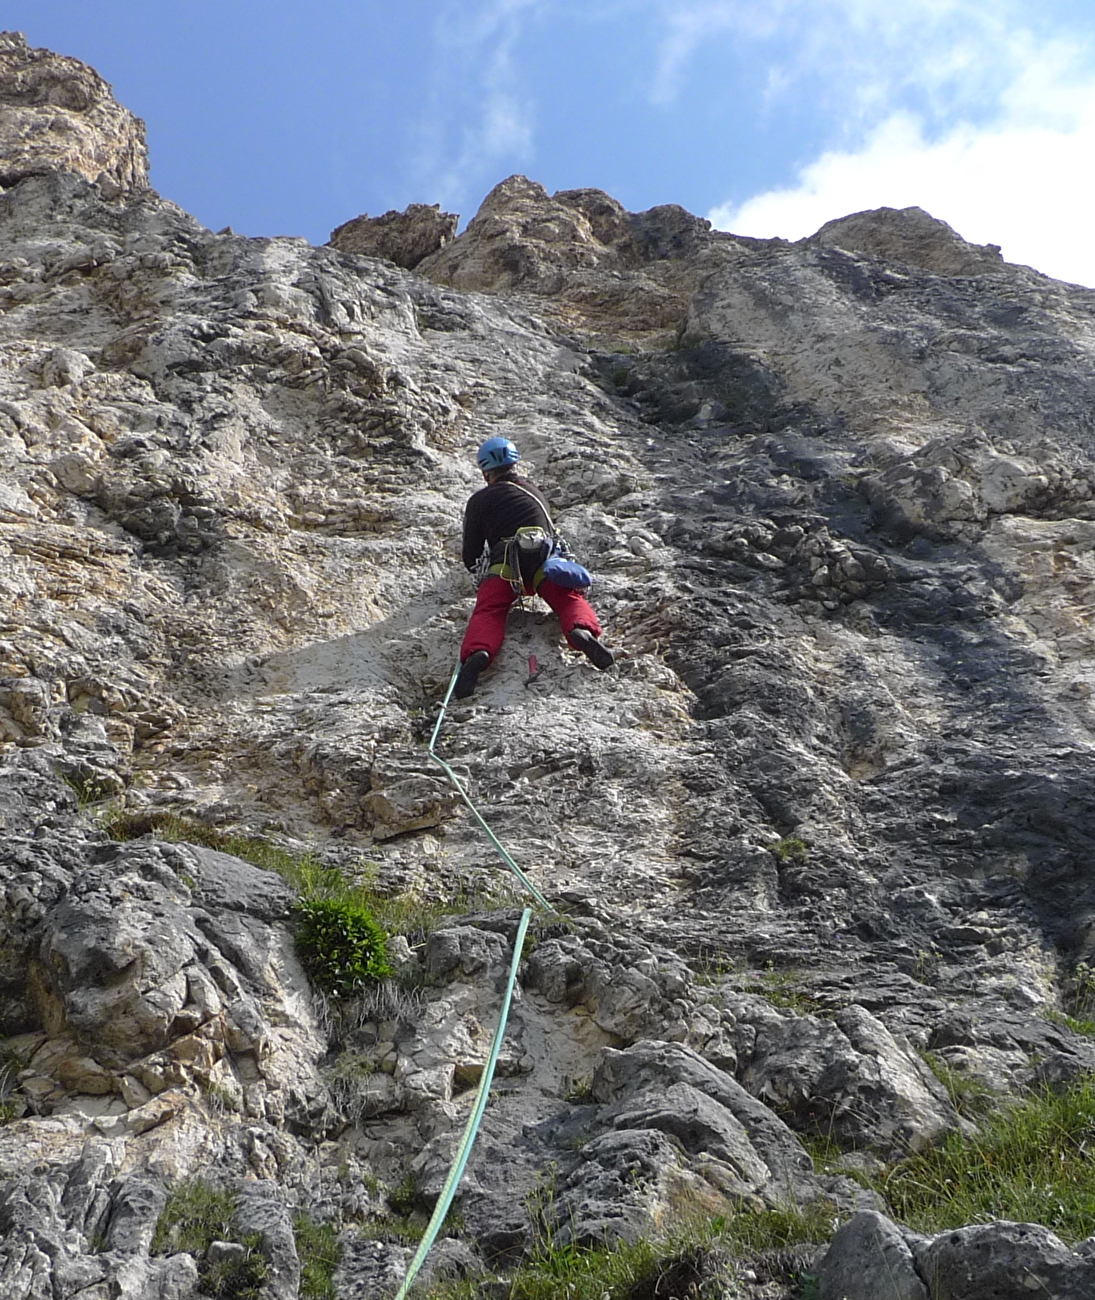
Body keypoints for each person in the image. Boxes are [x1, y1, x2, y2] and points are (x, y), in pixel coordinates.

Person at [455, 436, 614, 698]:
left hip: (505, 564)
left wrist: (482, 575)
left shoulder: (479, 501)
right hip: (544, 561)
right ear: (515, 464)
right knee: (566, 598)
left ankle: (479, 653)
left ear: (485, 473)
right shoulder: (535, 493)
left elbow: (471, 556)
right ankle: (580, 631)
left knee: (490, 609)